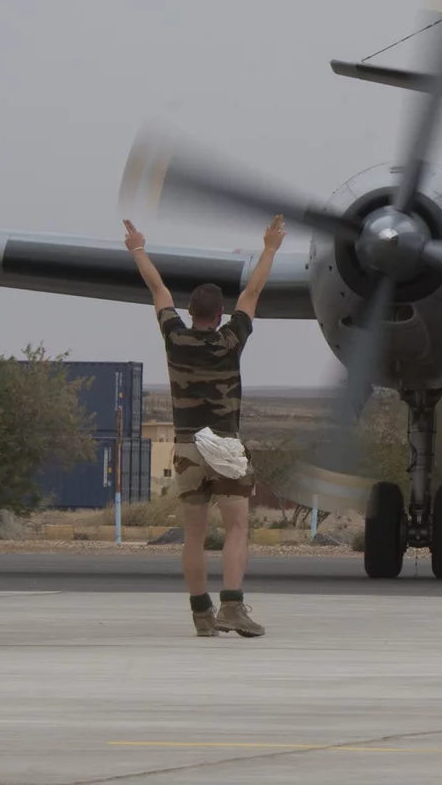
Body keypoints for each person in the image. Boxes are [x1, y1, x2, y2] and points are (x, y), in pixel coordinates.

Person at [125, 214, 285, 637]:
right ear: (219, 315)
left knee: (193, 536)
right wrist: (269, 248)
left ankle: (201, 615)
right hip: (226, 447)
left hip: (186, 447)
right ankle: (232, 606)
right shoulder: (230, 339)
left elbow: (158, 289)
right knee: (236, 528)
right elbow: (252, 291)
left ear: (190, 312)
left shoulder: (174, 336)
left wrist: (138, 248)